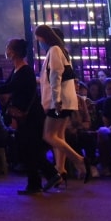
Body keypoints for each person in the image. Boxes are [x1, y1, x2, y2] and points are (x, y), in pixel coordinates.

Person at [0, 38, 60, 195]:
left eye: (8, 48)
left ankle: (41, 181)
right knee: (29, 149)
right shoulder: (18, 69)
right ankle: (46, 177)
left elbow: (9, 87)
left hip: (31, 116)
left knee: (29, 149)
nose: (6, 51)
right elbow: (5, 86)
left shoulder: (24, 71)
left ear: (13, 52)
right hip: (27, 115)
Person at [35, 24, 87, 185]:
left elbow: (55, 76)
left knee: (49, 135)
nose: (39, 43)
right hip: (66, 101)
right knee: (58, 136)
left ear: (44, 38)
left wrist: (56, 99)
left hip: (58, 102)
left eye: (39, 39)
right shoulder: (62, 51)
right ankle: (60, 169)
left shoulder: (54, 50)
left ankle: (78, 160)